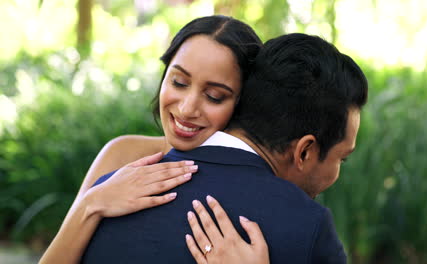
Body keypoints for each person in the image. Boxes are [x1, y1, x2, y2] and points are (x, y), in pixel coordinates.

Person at [80, 33, 368, 263]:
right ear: (304, 151)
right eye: (342, 158)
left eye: (214, 95)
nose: (188, 108)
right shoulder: (309, 227)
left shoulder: (109, 193)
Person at [39, 15, 262, 264]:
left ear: (244, 104)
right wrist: (92, 203)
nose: (187, 108)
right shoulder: (122, 154)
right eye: (179, 82)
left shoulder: (254, 185)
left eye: (214, 96)